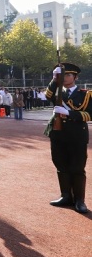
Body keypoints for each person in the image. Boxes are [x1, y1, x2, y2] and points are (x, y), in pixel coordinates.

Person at [45, 63, 89, 214]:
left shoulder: (86, 94)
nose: (65, 78)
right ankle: (65, 196)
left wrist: (70, 113)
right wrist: (54, 79)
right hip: (58, 134)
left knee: (77, 167)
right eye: (63, 75)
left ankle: (79, 200)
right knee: (61, 165)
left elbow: (90, 114)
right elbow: (47, 95)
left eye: (68, 75)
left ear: (75, 77)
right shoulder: (57, 92)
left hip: (77, 135)